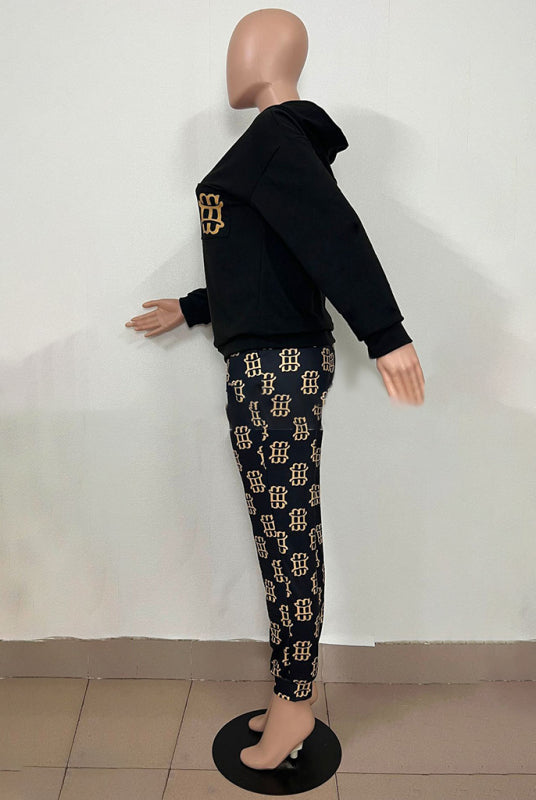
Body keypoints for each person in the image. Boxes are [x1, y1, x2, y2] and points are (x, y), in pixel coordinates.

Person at [126, 7, 425, 773]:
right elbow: (269, 260)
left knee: (287, 537)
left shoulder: (274, 139)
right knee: (278, 533)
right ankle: (290, 690)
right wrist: (193, 307)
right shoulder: (277, 144)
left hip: (276, 371)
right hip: (267, 365)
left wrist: (385, 332)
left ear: (268, 56)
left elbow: (333, 232)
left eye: (242, 45)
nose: (233, 60)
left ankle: (294, 705)